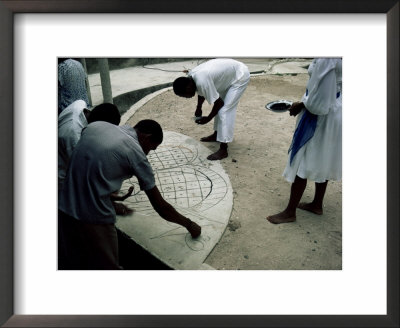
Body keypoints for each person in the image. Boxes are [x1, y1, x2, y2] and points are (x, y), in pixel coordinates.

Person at [58, 119, 202, 269]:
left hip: (63, 206)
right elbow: (161, 207)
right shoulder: (136, 153)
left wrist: (108, 198)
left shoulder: (97, 126)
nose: (147, 153)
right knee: (108, 267)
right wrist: (189, 224)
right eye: (150, 149)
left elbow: (89, 163)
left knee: (75, 261)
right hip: (93, 217)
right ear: (146, 137)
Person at [266, 58, 342, 224]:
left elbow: (319, 102)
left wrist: (301, 104)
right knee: (324, 157)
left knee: (303, 158)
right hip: (336, 108)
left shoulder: (328, 57)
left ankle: (290, 212)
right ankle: (317, 204)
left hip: (321, 115)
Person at [173, 58, 250, 160]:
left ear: (188, 88)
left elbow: (219, 103)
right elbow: (200, 91)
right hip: (228, 75)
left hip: (239, 76)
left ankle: (223, 149)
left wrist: (208, 119)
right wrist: (199, 107)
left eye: (184, 95)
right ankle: (217, 134)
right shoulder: (192, 78)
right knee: (221, 108)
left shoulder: (201, 80)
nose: (187, 98)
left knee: (224, 111)